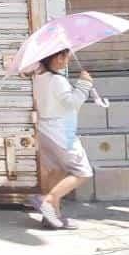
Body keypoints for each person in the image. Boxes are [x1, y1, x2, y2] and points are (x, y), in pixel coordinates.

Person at [30, 49, 94, 230]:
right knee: (83, 172)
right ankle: (47, 200)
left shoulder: (39, 77)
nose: (67, 61)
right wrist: (84, 85)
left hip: (45, 131)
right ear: (58, 58)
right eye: (66, 57)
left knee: (56, 172)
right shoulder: (57, 80)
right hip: (61, 133)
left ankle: (53, 217)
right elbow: (71, 104)